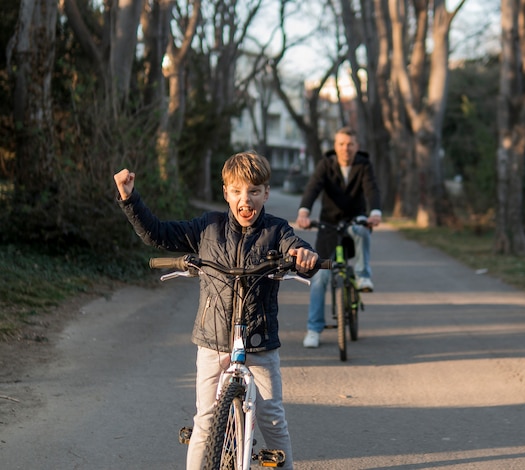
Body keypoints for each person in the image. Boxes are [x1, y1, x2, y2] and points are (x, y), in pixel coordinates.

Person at [114, 152, 319, 470]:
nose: (245, 199)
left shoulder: (276, 231)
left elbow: (298, 248)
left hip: (260, 343)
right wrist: (129, 198)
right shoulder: (208, 227)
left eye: (253, 191)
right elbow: (158, 233)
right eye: (237, 191)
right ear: (226, 193)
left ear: (265, 193)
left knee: (273, 419)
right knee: (206, 421)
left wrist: (303, 256)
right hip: (213, 339)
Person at [296, 127, 381, 348]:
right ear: (335, 146)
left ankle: (363, 276)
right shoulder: (326, 165)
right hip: (329, 225)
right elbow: (313, 188)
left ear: (357, 147)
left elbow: (372, 190)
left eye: (350, 144)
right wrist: (304, 211)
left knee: (362, 231)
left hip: (356, 220)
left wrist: (375, 213)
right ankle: (314, 329)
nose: (346, 148)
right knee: (320, 278)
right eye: (342, 144)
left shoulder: (363, 164)